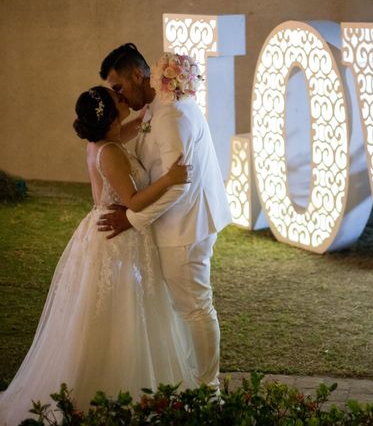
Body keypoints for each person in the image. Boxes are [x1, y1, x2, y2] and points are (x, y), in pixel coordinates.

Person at [0, 86, 198, 425]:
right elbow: (134, 201)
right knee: (118, 312)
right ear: (109, 116)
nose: (124, 100)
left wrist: (158, 104)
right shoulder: (111, 152)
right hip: (117, 236)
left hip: (100, 230)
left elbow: (138, 125)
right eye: (117, 100)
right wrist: (170, 178)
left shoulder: (101, 143)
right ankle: (108, 389)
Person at [98, 44, 231, 391]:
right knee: (180, 308)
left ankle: (208, 389)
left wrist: (131, 218)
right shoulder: (155, 108)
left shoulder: (171, 113)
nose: (119, 98)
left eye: (119, 88)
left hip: (185, 226)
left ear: (138, 75)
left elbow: (179, 185)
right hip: (171, 224)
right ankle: (188, 379)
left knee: (196, 308)